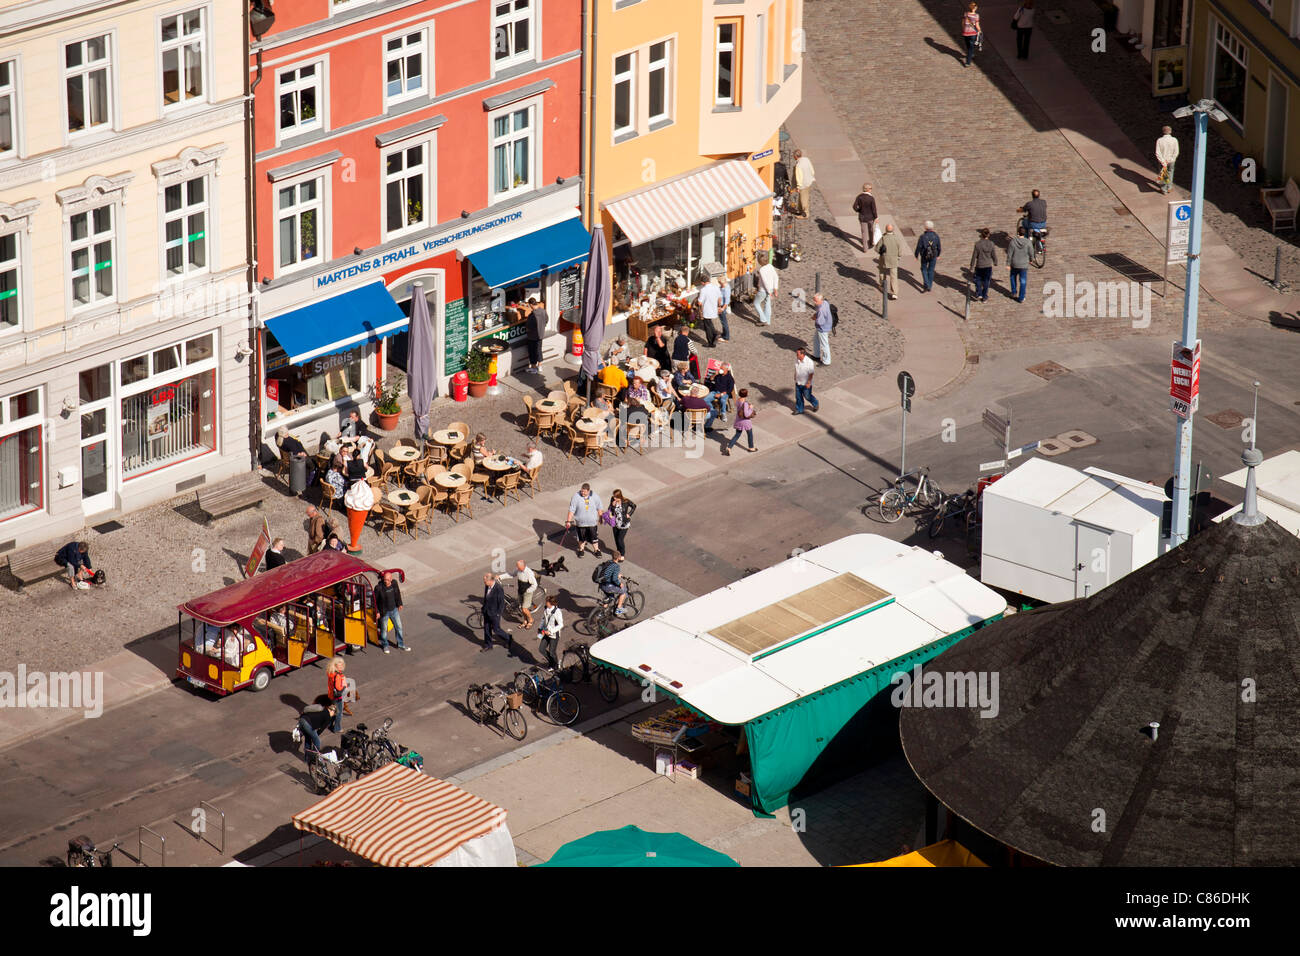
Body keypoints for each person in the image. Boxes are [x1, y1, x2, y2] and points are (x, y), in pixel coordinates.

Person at [566, 482, 605, 557]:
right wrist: (568, 521)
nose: (582, 493)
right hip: (581, 523)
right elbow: (571, 509)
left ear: (588, 491)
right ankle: (581, 549)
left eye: (584, 491)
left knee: (594, 537)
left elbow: (599, 508)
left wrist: (601, 518)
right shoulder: (576, 496)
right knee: (581, 538)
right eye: (581, 491)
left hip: (592, 523)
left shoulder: (595, 496)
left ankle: (596, 550)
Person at [374, 569, 409, 654]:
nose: (385, 581)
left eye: (387, 580)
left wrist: (400, 603)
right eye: (384, 579)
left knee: (399, 627)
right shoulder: (378, 588)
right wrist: (377, 612)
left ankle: (400, 644)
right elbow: (374, 601)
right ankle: (385, 645)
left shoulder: (394, 583)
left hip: (394, 610)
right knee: (384, 630)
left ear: (391, 579)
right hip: (384, 612)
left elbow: (397, 594)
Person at [480, 572, 513, 654]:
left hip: (494, 613)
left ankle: (508, 638)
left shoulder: (498, 589)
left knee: (496, 629)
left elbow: (501, 603)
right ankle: (488, 645)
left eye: (485, 581)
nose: (484, 583)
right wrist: (483, 607)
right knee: (487, 629)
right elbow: (486, 597)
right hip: (487, 611)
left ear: (490, 580)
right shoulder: (487, 586)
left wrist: (498, 614)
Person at [505, 559, 539, 629]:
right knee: (521, 608)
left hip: (527, 592)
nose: (517, 568)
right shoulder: (518, 570)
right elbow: (511, 574)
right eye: (517, 566)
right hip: (520, 591)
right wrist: (500, 577)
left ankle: (531, 620)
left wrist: (528, 591)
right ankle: (525, 621)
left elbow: (534, 585)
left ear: (523, 566)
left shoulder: (529, 573)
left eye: (518, 566)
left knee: (524, 609)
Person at [721, 388, 757, 456]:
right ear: (746, 395)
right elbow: (746, 414)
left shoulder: (738, 401)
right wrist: (751, 408)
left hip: (738, 420)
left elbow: (739, 408)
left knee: (737, 435)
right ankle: (751, 447)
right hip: (745, 422)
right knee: (750, 434)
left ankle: (729, 448)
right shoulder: (745, 403)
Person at [342, 478, 373, 554]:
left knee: (354, 527)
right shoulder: (366, 493)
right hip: (359, 505)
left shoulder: (352, 493)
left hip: (355, 503)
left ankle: (353, 543)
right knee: (355, 528)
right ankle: (353, 543)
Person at [604, 489, 636, 558]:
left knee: (620, 539)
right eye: (613, 496)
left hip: (624, 523)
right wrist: (612, 506)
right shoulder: (613, 500)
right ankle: (618, 552)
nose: (614, 498)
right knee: (616, 539)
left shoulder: (626, 501)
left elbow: (634, 506)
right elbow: (610, 509)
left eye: (616, 497)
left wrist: (629, 514)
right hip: (615, 523)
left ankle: (622, 554)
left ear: (619, 496)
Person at [874, 224, 902, 300]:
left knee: (882, 272)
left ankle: (883, 286)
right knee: (894, 277)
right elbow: (900, 249)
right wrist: (899, 256)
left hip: (884, 258)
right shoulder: (896, 238)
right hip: (894, 259)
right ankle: (894, 293)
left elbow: (876, 249)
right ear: (893, 230)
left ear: (886, 230)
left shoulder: (883, 238)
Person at [704, 362, 735, 430]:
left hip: (724, 393)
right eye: (720, 368)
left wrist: (721, 394)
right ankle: (712, 410)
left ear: (726, 369)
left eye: (722, 369)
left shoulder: (730, 378)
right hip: (715, 391)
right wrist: (715, 374)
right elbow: (711, 379)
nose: (720, 370)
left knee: (723, 400)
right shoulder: (718, 375)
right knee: (705, 400)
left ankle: (723, 413)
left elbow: (730, 389)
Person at [970, 228, 998, 302]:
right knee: (986, 281)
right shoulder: (991, 244)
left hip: (979, 265)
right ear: (988, 235)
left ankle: (979, 293)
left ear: (981, 235)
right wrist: (995, 261)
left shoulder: (978, 244)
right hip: (988, 266)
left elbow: (974, 256)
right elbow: (993, 254)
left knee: (978, 280)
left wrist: (972, 265)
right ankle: (984, 296)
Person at [1007, 226, 1033, 303]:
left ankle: (1014, 292)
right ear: (1024, 234)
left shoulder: (1013, 242)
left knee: (1012, 277)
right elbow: (1031, 252)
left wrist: (1008, 264)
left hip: (1014, 263)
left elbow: (1009, 254)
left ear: (1018, 233)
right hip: (1024, 265)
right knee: (1023, 281)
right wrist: (1031, 260)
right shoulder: (1028, 242)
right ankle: (1021, 297)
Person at [914, 221, 942, 293]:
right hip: (933, 255)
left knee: (924, 269)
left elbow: (919, 247)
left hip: (924, 255)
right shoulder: (936, 236)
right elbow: (939, 247)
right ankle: (929, 285)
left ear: (925, 228)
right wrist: (938, 255)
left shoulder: (923, 237)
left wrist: (916, 255)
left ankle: (926, 283)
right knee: (931, 270)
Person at [537, 596, 563, 671]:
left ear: (551, 603)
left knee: (552, 652)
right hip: (545, 632)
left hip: (554, 635)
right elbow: (543, 619)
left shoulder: (557, 612)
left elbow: (561, 625)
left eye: (547, 602)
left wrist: (551, 631)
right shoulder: (546, 609)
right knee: (541, 649)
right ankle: (552, 662)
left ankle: (556, 664)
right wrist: (540, 628)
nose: (546, 603)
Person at [694, 276, 720, 348]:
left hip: (707, 310)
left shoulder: (703, 290)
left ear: (703, 282)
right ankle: (715, 334)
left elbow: (699, 302)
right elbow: (719, 297)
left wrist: (697, 300)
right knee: (710, 323)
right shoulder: (715, 287)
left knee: (707, 327)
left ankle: (711, 343)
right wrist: (719, 306)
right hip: (714, 308)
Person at [754, 251, 778, 326]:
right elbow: (776, 277)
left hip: (763, 290)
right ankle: (768, 320)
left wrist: (769, 293)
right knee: (767, 304)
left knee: (756, 303)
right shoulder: (770, 266)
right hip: (770, 289)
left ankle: (763, 319)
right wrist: (775, 289)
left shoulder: (762, 270)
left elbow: (765, 282)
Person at [853, 184, 878, 252]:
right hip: (870, 217)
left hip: (862, 217)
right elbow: (874, 209)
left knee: (864, 233)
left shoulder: (859, 197)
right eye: (870, 188)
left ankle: (865, 248)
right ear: (867, 189)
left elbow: (854, 207)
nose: (871, 189)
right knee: (871, 230)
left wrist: (859, 210)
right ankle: (871, 242)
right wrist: (876, 217)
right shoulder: (871, 198)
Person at [793, 347, 819, 415]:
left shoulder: (809, 362)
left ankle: (815, 403)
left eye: (798, 354)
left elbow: (811, 373)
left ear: (802, 354)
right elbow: (796, 368)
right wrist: (795, 375)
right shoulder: (797, 360)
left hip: (806, 383)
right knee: (798, 397)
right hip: (798, 382)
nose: (796, 355)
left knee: (807, 396)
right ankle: (799, 409)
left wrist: (808, 382)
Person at [525, 297, 548, 372]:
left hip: (532, 336)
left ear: (531, 304)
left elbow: (528, 326)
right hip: (540, 335)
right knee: (539, 350)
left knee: (532, 352)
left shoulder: (533, 315)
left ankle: (534, 368)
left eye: (529, 305)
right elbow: (546, 320)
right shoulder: (543, 311)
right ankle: (540, 366)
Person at [1156, 125, 1179, 195]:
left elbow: (1158, 152)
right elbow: (1176, 151)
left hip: (1163, 160)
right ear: (1170, 132)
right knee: (1170, 172)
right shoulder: (1174, 140)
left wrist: (1162, 161)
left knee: (1163, 173)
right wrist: (1172, 159)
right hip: (1171, 160)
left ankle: (1164, 189)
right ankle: (1169, 187)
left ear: (1163, 132)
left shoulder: (1159, 140)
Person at [327, 658, 348, 732]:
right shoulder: (338, 676)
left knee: (333, 711)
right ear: (336, 666)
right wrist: (344, 684)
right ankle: (337, 728)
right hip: (337, 697)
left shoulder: (330, 673)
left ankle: (329, 724)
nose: (342, 666)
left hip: (331, 695)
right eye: (340, 665)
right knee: (339, 713)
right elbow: (339, 688)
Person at [811, 293, 833, 366]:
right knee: (816, 340)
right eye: (814, 300)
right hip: (824, 327)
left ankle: (827, 361)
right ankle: (816, 355)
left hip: (822, 328)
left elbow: (820, 321)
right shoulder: (825, 303)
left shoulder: (821, 309)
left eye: (816, 301)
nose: (814, 302)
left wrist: (814, 318)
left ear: (820, 300)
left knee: (824, 344)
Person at [793, 149, 815, 219]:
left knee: (804, 199)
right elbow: (812, 170)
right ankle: (800, 210)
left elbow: (799, 177)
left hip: (803, 184)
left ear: (795, 156)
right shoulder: (806, 159)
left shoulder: (799, 165)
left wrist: (798, 186)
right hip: (809, 181)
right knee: (801, 197)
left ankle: (805, 214)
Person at [961, 2, 982, 67]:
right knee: (971, 47)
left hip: (965, 32)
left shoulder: (966, 14)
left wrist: (963, 29)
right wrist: (980, 31)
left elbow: (963, 23)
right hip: (973, 33)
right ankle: (968, 62)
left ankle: (971, 55)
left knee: (968, 45)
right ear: (975, 8)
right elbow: (977, 25)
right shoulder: (976, 16)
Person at [717, 275, 732, 342]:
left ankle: (726, 337)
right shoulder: (724, 287)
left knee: (724, 321)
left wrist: (722, 308)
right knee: (722, 321)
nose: (720, 284)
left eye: (720, 283)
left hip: (722, 306)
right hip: (720, 305)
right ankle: (724, 334)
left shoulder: (726, 289)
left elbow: (727, 301)